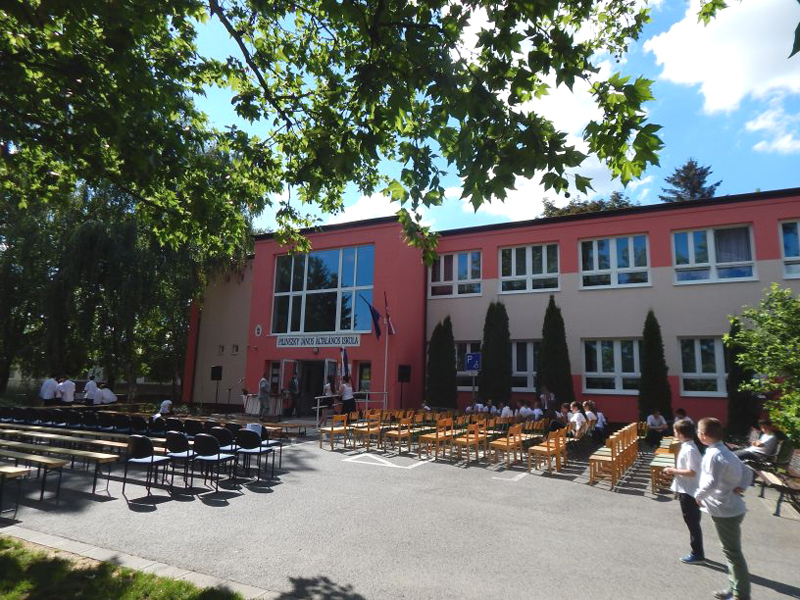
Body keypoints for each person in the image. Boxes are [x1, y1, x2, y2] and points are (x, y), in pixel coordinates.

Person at [696, 417, 752, 600]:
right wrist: (742, 486)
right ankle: (733, 589)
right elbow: (748, 471)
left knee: (733, 553)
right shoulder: (725, 451)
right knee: (730, 552)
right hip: (730, 508)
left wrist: (698, 496)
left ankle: (741, 595)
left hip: (726, 510)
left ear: (703, 435)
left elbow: (711, 482)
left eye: (698, 431)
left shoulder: (714, 455)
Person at [663, 419, 705, 565]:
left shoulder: (690, 449)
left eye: (675, 431)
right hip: (687, 490)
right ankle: (697, 552)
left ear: (681, 433)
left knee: (692, 523)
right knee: (691, 522)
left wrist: (672, 470)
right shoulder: (687, 447)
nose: (674, 433)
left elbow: (692, 472)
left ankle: (697, 554)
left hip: (690, 492)